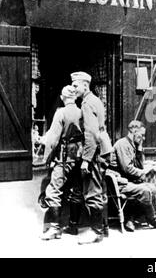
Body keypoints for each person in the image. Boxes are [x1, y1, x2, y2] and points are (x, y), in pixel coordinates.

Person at [40, 85, 84, 240]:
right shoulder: (82, 111)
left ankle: (55, 228)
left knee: (53, 191)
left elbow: (53, 139)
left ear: (62, 97)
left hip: (64, 158)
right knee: (76, 191)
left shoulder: (61, 113)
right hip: (80, 157)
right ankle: (73, 226)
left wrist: (47, 159)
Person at [112, 120, 156, 231]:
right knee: (145, 191)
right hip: (120, 183)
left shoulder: (133, 145)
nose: (144, 138)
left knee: (153, 189)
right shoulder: (122, 144)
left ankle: (131, 218)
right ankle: (153, 220)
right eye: (142, 135)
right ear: (134, 131)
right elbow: (127, 168)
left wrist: (140, 149)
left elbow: (139, 166)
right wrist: (144, 172)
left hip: (129, 181)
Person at [71, 71, 107, 244]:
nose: (74, 89)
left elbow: (91, 134)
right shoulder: (96, 101)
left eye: (76, 85)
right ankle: (102, 229)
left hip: (93, 154)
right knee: (99, 190)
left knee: (93, 192)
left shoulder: (87, 103)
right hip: (99, 152)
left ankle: (96, 232)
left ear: (85, 85)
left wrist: (86, 159)